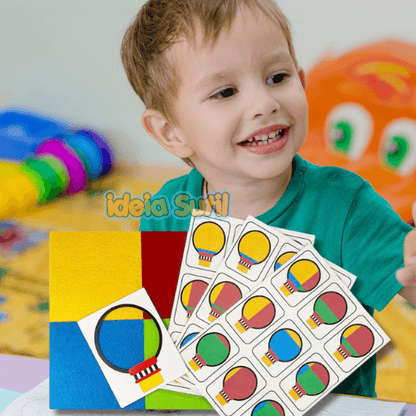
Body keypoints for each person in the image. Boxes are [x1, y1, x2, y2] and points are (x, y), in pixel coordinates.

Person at [121, 0, 416, 399]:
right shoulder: (166, 213)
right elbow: (148, 348)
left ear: (302, 79)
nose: (264, 103)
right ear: (171, 132)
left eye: (277, 77)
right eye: (225, 92)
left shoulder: (347, 206)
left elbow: (408, 280)